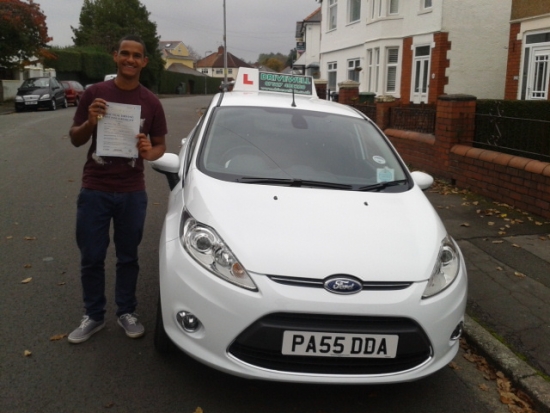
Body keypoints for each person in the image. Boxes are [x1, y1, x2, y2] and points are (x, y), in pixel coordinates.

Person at [67, 35, 167, 344]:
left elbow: (160, 146)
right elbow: (75, 138)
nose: (130, 59)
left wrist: (149, 151)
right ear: (116, 56)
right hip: (95, 188)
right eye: (125, 53)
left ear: (144, 62)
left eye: (136, 55)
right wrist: (92, 122)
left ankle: (126, 311)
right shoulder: (95, 94)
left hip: (131, 192)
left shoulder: (150, 101)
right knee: (92, 256)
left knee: (128, 256)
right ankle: (94, 316)